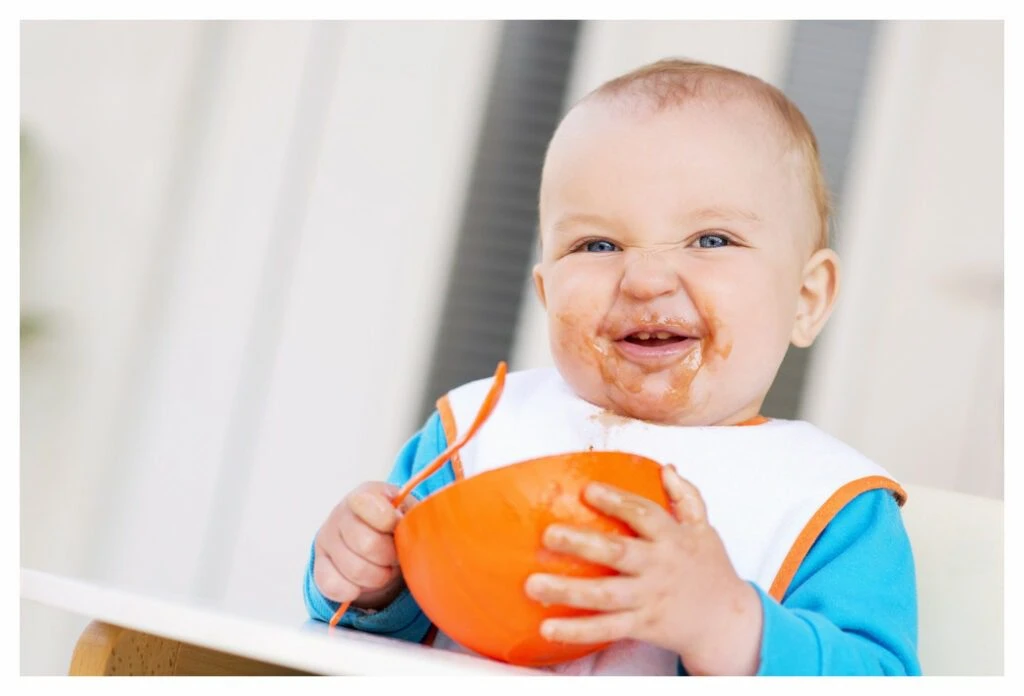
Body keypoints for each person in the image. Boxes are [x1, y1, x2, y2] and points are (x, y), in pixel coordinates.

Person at [302, 58, 920, 676]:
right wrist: (368, 578)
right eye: (597, 245)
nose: (646, 280)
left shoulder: (829, 502)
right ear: (547, 295)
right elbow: (376, 622)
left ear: (806, 300)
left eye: (711, 240)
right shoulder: (474, 433)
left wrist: (728, 624)